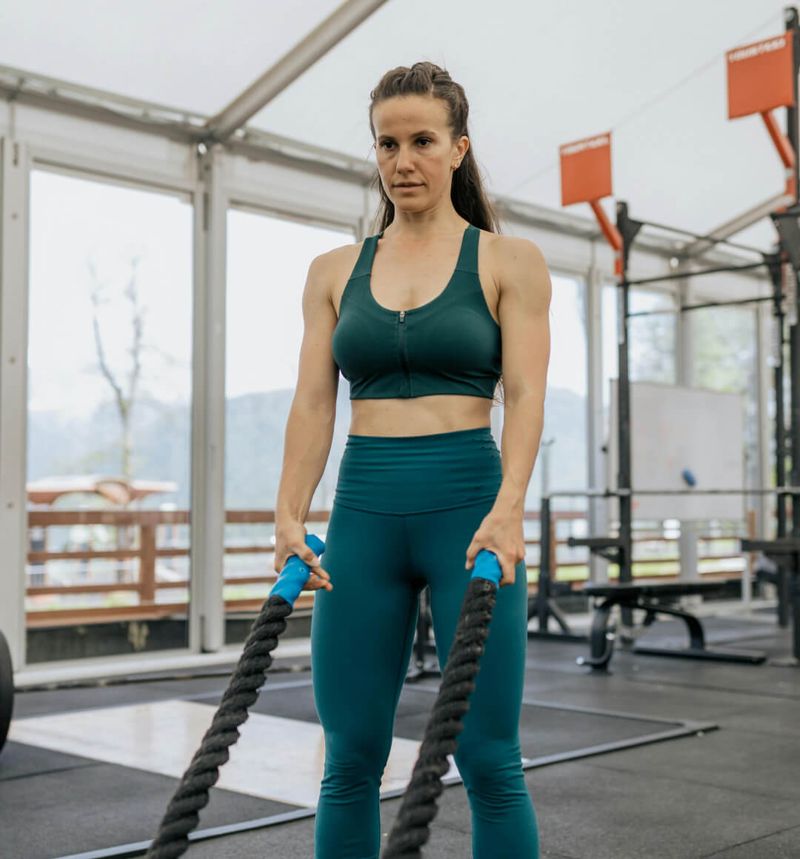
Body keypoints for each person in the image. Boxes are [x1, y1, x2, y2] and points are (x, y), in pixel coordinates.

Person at [274, 61, 551, 859]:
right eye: (387, 144)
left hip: (471, 512)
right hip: (362, 515)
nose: (403, 161)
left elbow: (525, 395)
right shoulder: (333, 271)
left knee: (489, 759)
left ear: (458, 149)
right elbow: (313, 404)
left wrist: (509, 506)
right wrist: (288, 513)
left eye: (422, 141)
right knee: (349, 760)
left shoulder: (509, 261)